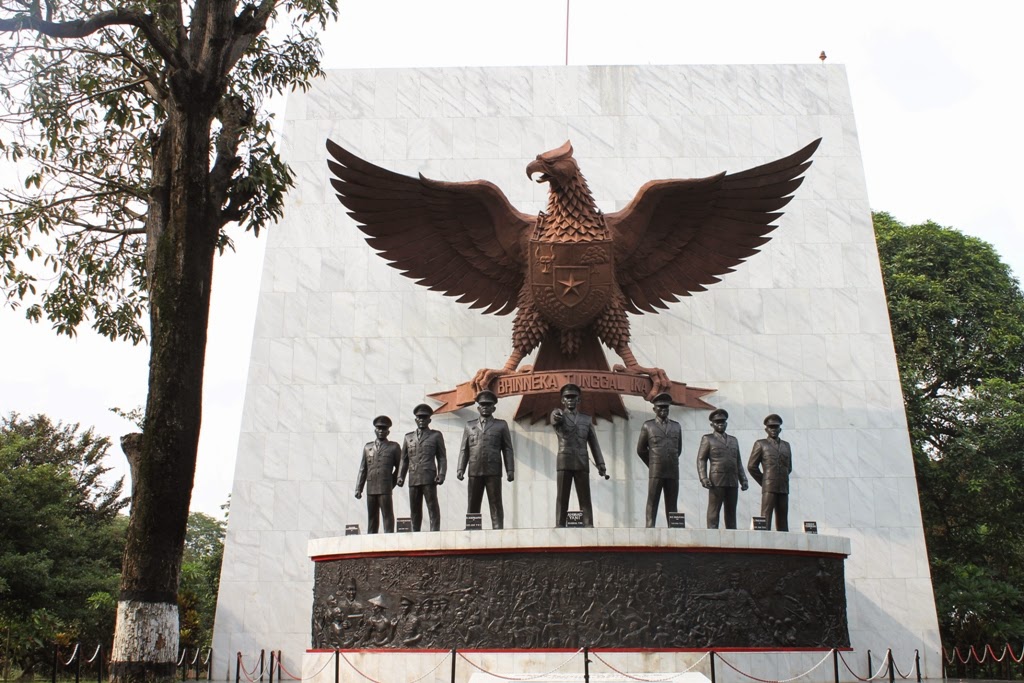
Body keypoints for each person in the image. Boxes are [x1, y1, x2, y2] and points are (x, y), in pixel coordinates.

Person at [551, 383, 608, 527]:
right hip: (565, 461)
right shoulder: (559, 415)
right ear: (562, 400)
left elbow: (594, 443)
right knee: (562, 497)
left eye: (573, 397)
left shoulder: (586, 419)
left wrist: (601, 464)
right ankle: (559, 525)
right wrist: (556, 414)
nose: (570, 400)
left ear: (579, 400)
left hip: (582, 461)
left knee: (585, 497)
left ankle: (589, 525)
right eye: (567, 397)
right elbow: (554, 417)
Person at [457, 390, 515, 529]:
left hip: (493, 469)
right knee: (473, 502)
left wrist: (510, 470)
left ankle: (498, 528)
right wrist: (460, 468)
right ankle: (471, 528)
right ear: (478, 408)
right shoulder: (469, 426)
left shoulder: (501, 425)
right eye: (482, 405)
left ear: (494, 408)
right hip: (475, 469)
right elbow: (464, 449)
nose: (485, 407)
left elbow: (507, 449)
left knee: (495, 502)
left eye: (488, 405)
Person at [695, 408, 748, 529]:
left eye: (722, 422)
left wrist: (743, 479)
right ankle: (712, 536)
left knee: (731, 512)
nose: (720, 424)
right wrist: (703, 478)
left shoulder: (734, 440)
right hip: (716, 480)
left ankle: (733, 540)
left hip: (732, 481)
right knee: (714, 511)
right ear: (712, 424)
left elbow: (738, 462)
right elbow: (701, 459)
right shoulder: (707, 439)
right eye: (717, 422)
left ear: (726, 423)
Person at [398, 403, 447, 531]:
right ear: (415, 420)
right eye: (419, 418)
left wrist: (441, 475)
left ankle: (434, 531)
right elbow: (404, 459)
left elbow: (441, 457)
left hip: (429, 477)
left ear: (429, 420)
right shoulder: (408, 438)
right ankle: (415, 533)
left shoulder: (436, 435)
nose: (422, 420)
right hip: (413, 477)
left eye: (424, 418)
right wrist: (400, 476)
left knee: (432, 506)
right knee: (414, 509)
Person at [636, 392, 682, 527]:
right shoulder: (648, 426)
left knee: (672, 502)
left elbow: (678, 449)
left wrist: (670, 460)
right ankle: (650, 526)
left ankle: (674, 527)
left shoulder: (676, 426)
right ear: (654, 409)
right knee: (653, 500)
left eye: (666, 408)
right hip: (656, 469)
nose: (663, 410)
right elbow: (641, 450)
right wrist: (652, 463)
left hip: (673, 469)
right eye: (660, 408)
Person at [354, 415, 401, 533]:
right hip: (371, 488)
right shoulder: (368, 447)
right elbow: (362, 469)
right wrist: (358, 488)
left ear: (388, 431)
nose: (381, 431)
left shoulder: (394, 447)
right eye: (379, 428)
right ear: (375, 430)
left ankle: (389, 540)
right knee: (372, 518)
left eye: (384, 429)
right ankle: (371, 541)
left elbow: (400, 468)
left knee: (387, 516)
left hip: (385, 487)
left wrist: (391, 483)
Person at [747, 413, 793, 531]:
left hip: (783, 485)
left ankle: (784, 544)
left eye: (776, 427)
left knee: (783, 518)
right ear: (766, 429)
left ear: (780, 429)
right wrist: (764, 481)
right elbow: (752, 466)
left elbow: (789, 467)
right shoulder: (761, 444)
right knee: (766, 517)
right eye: (771, 427)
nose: (773, 430)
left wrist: (781, 478)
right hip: (769, 485)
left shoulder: (786, 445)